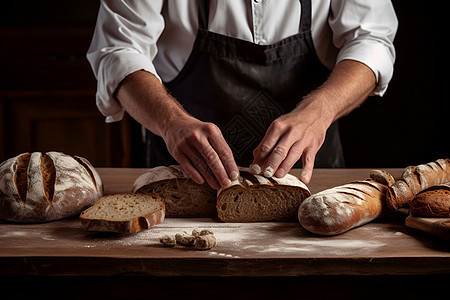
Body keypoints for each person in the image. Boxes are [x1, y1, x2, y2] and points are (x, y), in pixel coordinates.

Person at [87, 0, 398, 189]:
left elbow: (371, 39)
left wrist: (321, 109)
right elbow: (118, 49)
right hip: (183, 183)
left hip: (310, 182)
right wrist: (171, 123)